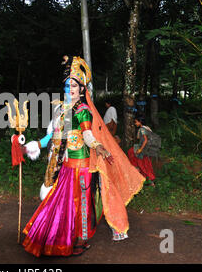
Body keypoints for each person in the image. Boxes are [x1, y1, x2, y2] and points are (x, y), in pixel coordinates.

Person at [21, 56, 145, 257]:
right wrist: (27, 148)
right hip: (66, 168)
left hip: (83, 168)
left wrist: (98, 146)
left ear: (81, 89)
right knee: (59, 204)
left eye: (74, 86)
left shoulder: (83, 111)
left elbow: (87, 135)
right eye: (67, 85)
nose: (70, 89)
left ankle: (80, 240)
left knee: (83, 206)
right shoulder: (61, 111)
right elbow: (51, 138)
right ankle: (53, 238)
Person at [127, 116, 157, 187]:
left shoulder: (142, 129)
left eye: (136, 122)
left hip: (143, 148)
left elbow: (145, 140)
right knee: (144, 163)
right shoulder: (147, 128)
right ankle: (141, 176)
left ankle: (138, 173)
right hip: (147, 149)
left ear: (140, 122)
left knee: (133, 154)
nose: (135, 123)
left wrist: (140, 149)